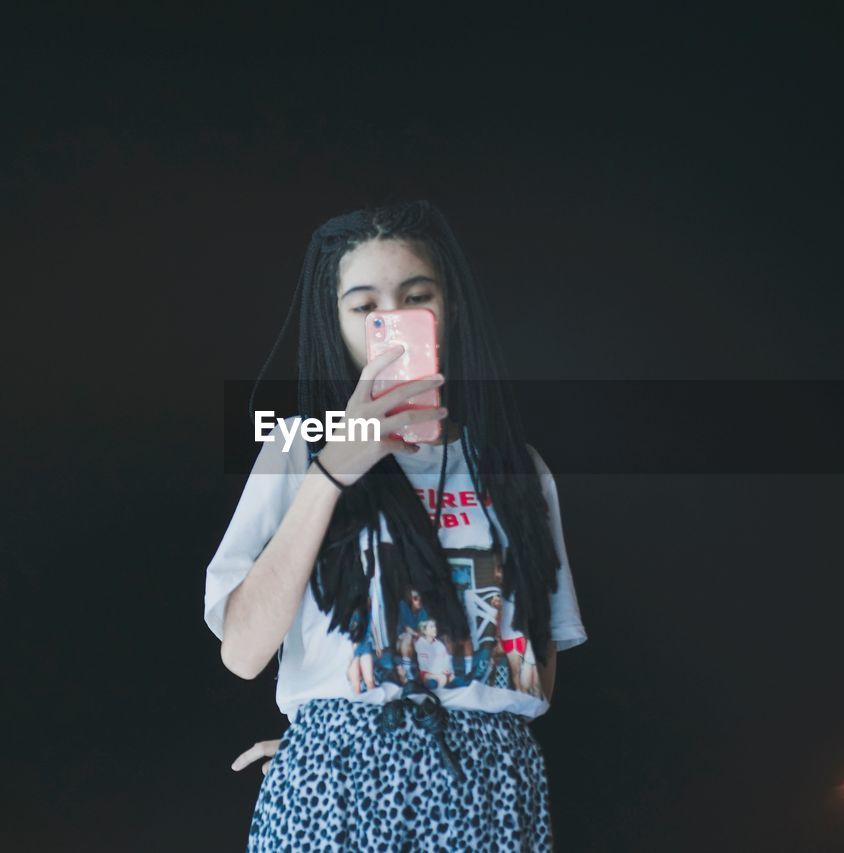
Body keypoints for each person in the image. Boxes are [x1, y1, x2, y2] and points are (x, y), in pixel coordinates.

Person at [205, 200, 588, 850]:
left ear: (450, 308)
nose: (391, 320)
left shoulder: (516, 471)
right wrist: (334, 469)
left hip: (488, 789)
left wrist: (422, 743)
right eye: (364, 306)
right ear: (337, 321)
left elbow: (536, 675)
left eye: (415, 296)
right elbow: (242, 652)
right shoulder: (300, 447)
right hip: (337, 785)